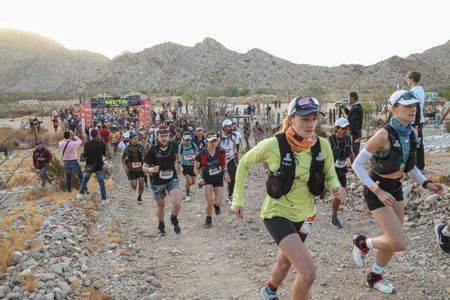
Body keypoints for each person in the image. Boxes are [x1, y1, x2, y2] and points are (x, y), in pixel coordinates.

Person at [232, 96, 346, 300]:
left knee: (285, 262)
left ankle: (268, 292)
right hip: (277, 213)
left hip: (306, 215)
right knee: (308, 273)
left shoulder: (322, 146)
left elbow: (330, 175)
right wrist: (238, 199)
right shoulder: (274, 144)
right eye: (305, 119)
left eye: (313, 119)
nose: (311, 124)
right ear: (291, 119)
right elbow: (244, 162)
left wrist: (336, 188)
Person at [351, 90, 445, 294]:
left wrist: (427, 184)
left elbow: (409, 167)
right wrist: (377, 191)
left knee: (393, 239)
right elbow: (357, 165)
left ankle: (375, 276)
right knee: (399, 241)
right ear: (394, 109)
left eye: (414, 106)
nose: (413, 109)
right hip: (377, 188)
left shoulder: (411, 132)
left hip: (396, 188)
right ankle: (362, 242)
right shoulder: (383, 134)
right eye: (407, 106)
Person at [143, 124, 182, 236]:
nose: (164, 138)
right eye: (162, 136)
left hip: (172, 179)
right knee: (161, 205)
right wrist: (151, 169)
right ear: (157, 136)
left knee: (177, 202)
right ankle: (161, 224)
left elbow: (176, 153)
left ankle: (174, 218)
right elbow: (143, 167)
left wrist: (178, 163)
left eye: (166, 135)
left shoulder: (173, 145)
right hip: (158, 182)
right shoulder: (152, 150)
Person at [194, 133, 229, 228]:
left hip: (218, 177)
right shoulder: (201, 154)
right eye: (211, 142)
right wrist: (199, 177)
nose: (213, 143)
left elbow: (224, 163)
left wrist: (226, 173)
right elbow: (196, 168)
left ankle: (216, 206)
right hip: (206, 178)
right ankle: (208, 218)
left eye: (215, 141)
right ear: (206, 143)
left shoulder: (221, 151)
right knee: (208, 200)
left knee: (218, 201)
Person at [328, 118, 355, 229]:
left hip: (342, 170)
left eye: (347, 128)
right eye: (343, 128)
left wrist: (356, 167)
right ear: (337, 129)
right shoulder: (329, 140)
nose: (346, 130)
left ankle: (334, 217)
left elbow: (351, 153)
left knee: (340, 193)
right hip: (331, 171)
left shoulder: (349, 139)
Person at [77, 129, 108, 204]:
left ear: (90, 135)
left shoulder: (87, 144)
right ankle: (103, 199)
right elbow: (104, 153)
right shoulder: (102, 144)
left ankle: (81, 194)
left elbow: (85, 155)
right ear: (97, 135)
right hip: (99, 166)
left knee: (85, 180)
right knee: (101, 182)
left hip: (89, 166)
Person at [405, 71, 426, 171]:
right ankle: (420, 165)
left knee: (413, 144)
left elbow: (416, 107)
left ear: (412, 79)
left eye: (408, 78)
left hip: (415, 122)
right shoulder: (421, 89)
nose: (406, 80)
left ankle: (415, 167)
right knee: (419, 143)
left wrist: (416, 124)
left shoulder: (412, 92)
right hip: (420, 120)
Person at [122, 132, 146, 204]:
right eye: (134, 139)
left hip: (140, 168)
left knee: (141, 183)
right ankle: (130, 178)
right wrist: (124, 165)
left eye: (137, 139)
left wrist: (147, 164)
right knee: (134, 186)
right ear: (130, 140)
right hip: (131, 169)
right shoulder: (127, 148)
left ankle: (139, 196)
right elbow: (123, 158)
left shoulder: (141, 147)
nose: (136, 140)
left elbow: (146, 155)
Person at [219, 119, 238, 204]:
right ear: (224, 127)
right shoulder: (219, 137)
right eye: (229, 126)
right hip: (220, 161)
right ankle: (218, 198)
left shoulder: (234, 135)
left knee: (233, 179)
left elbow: (234, 146)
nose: (231, 128)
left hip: (230, 159)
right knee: (219, 180)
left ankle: (229, 197)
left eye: (231, 126)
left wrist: (235, 151)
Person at [178, 134, 198, 201]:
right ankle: (187, 195)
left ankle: (186, 188)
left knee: (193, 182)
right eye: (186, 140)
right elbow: (177, 155)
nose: (188, 142)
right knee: (188, 180)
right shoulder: (181, 146)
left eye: (189, 140)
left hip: (192, 165)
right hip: (184, 165)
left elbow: (197, 151)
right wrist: (179, 164)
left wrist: (195, 157)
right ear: (183, 140)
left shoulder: (192, 144)